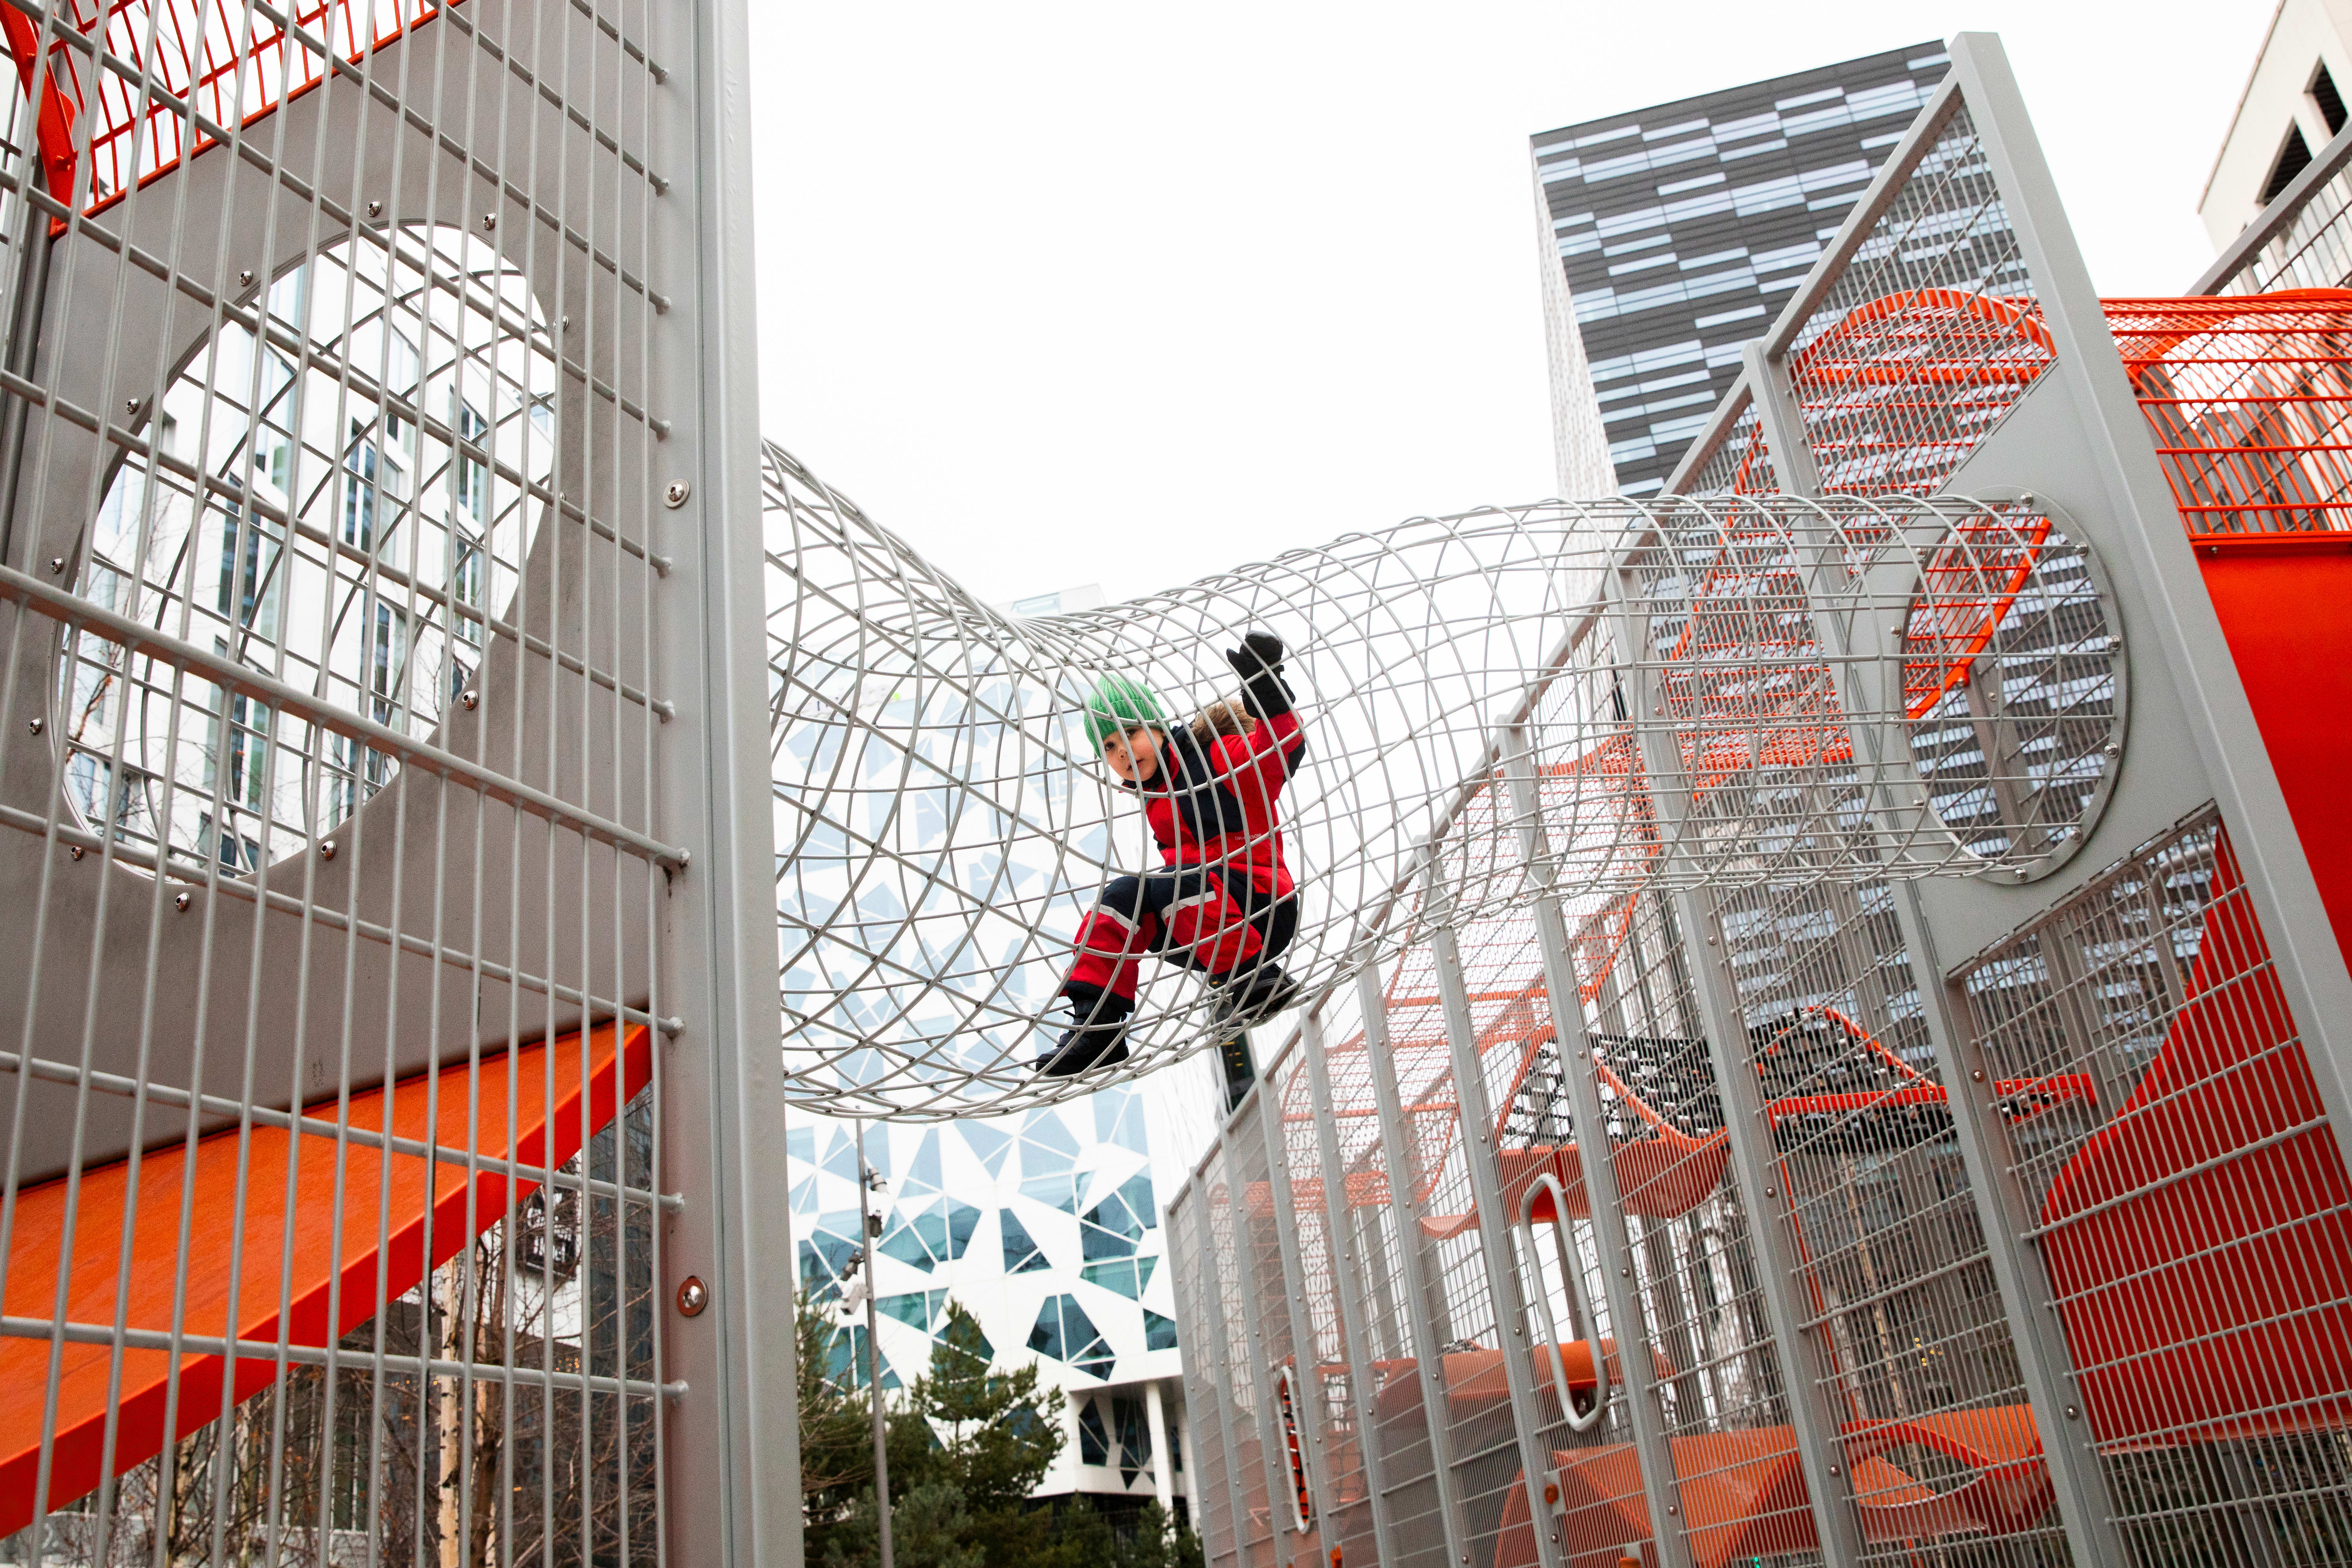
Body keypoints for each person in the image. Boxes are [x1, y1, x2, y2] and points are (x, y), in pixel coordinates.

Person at [1038, 631, 1306, 1076]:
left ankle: (1248, 978)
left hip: (1259, 904)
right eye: (1108, 746)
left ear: (1159, 726)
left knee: (1175, 882)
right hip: (1205, 918)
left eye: (1131, 732)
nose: (1122, 751)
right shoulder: (1155, 793)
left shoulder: (1212, 758)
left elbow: (1278, 751)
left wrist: (1265, 688)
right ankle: (1098, 1024)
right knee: (1122, 896)